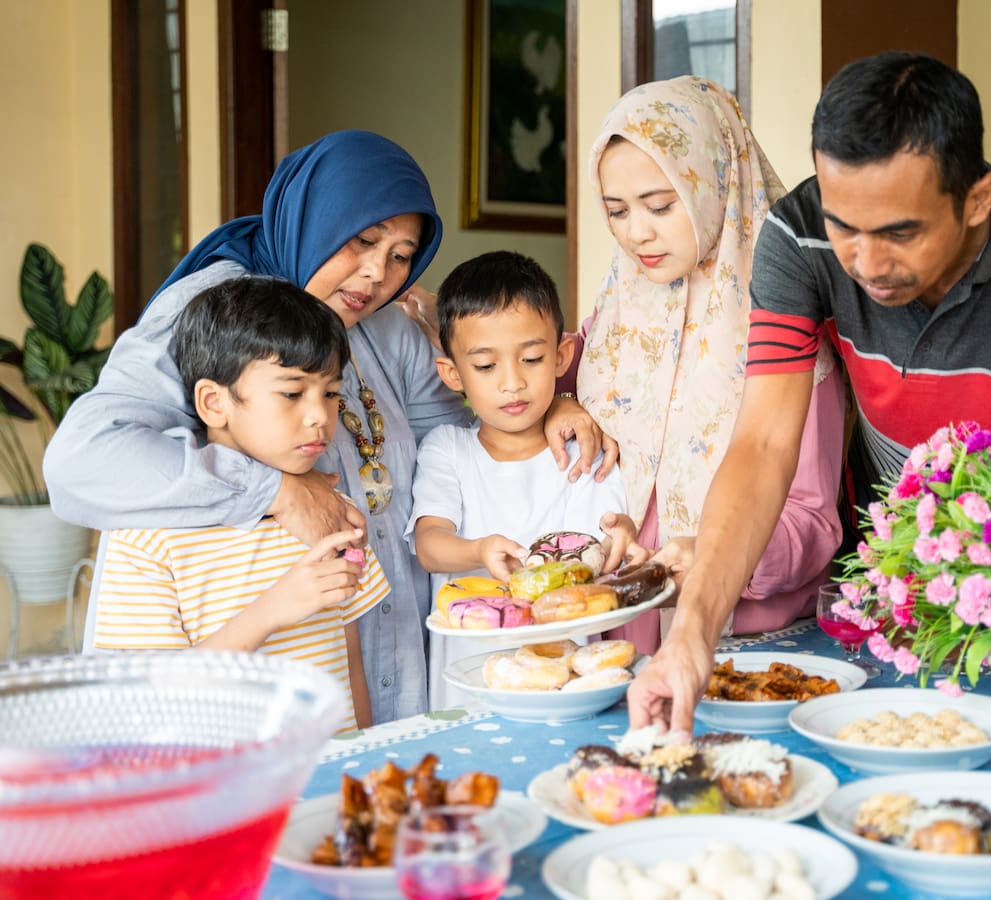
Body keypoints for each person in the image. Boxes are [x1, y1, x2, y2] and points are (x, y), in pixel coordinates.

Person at [628, 52, 991, 734]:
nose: (866, 264)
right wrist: (691, 637)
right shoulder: (799, 236)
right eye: (844, 226)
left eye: (900, 233)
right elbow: (764, 443)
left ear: (977, 199)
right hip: (888, 585)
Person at [44, 130, 608, 724]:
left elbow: (475, 430)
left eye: (400, 255)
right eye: (362, 240)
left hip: (385, 651)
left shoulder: (383, 324)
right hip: (259, 673)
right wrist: (277, 490)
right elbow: (81, 462)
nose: (375, 275)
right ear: (313, 218)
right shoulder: (216, 311)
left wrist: (556, 408)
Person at [570, 76, 847, 654]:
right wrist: (559, 405)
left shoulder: (782, 329)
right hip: (612, 637)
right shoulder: (610, 320)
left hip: (744, 644)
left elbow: (813, 523)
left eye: (661, 205)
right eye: (617, 211)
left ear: (716, 183)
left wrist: (716, 554)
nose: (636, 233)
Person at [92, 277, 388, 734]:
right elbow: (146, 702)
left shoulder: (333, 512)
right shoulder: (145, 535)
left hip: (331, 779)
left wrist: (365, 759)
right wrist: (273, 608)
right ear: (214, 403)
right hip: (220, 792)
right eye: (292, 393)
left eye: (330, 393)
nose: (318, 416)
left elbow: (350, 668)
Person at [407, 250, 647, 708]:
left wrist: (622, 535)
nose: (512, 383)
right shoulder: (448, 450)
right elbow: (429, 546)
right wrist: (478, 550)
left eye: (532, 358)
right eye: (485, 366)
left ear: (561, 356)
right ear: (452, 374)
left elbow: (606, 537)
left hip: (569, 685)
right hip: (470, 680)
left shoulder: (585, 451)